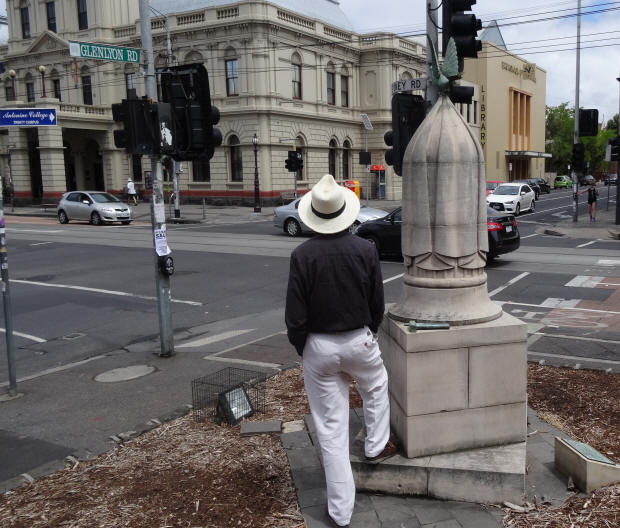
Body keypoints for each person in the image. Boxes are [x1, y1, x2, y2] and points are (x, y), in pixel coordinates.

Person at [285, 174, 396, 528]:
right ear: (345, 213)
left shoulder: (302, 255)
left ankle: (340, 512)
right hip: (358, 339)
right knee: (376, 387)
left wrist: (306, 348)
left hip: (318, 344)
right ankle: (376, 445)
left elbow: (295, 314)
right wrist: (370, 331)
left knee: (331, 428)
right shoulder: (365, 249)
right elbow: (376, 301)